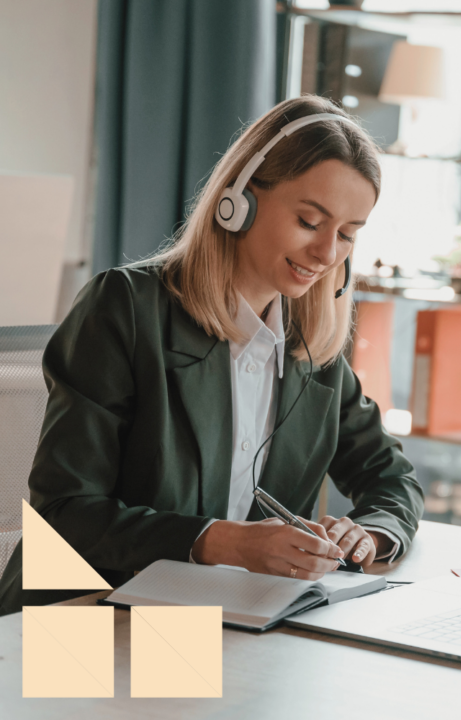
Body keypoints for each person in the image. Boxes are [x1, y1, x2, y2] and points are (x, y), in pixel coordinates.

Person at [0, 95, 424, 615]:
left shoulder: (312, 348)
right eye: (310, 222)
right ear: (238, 200)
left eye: (347, 235)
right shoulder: (127, 309)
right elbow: (65, 512)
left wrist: (373, 534)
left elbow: (391, 477)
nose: (327, 254)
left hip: (222, 621)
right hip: (82, 616)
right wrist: (228, 543)